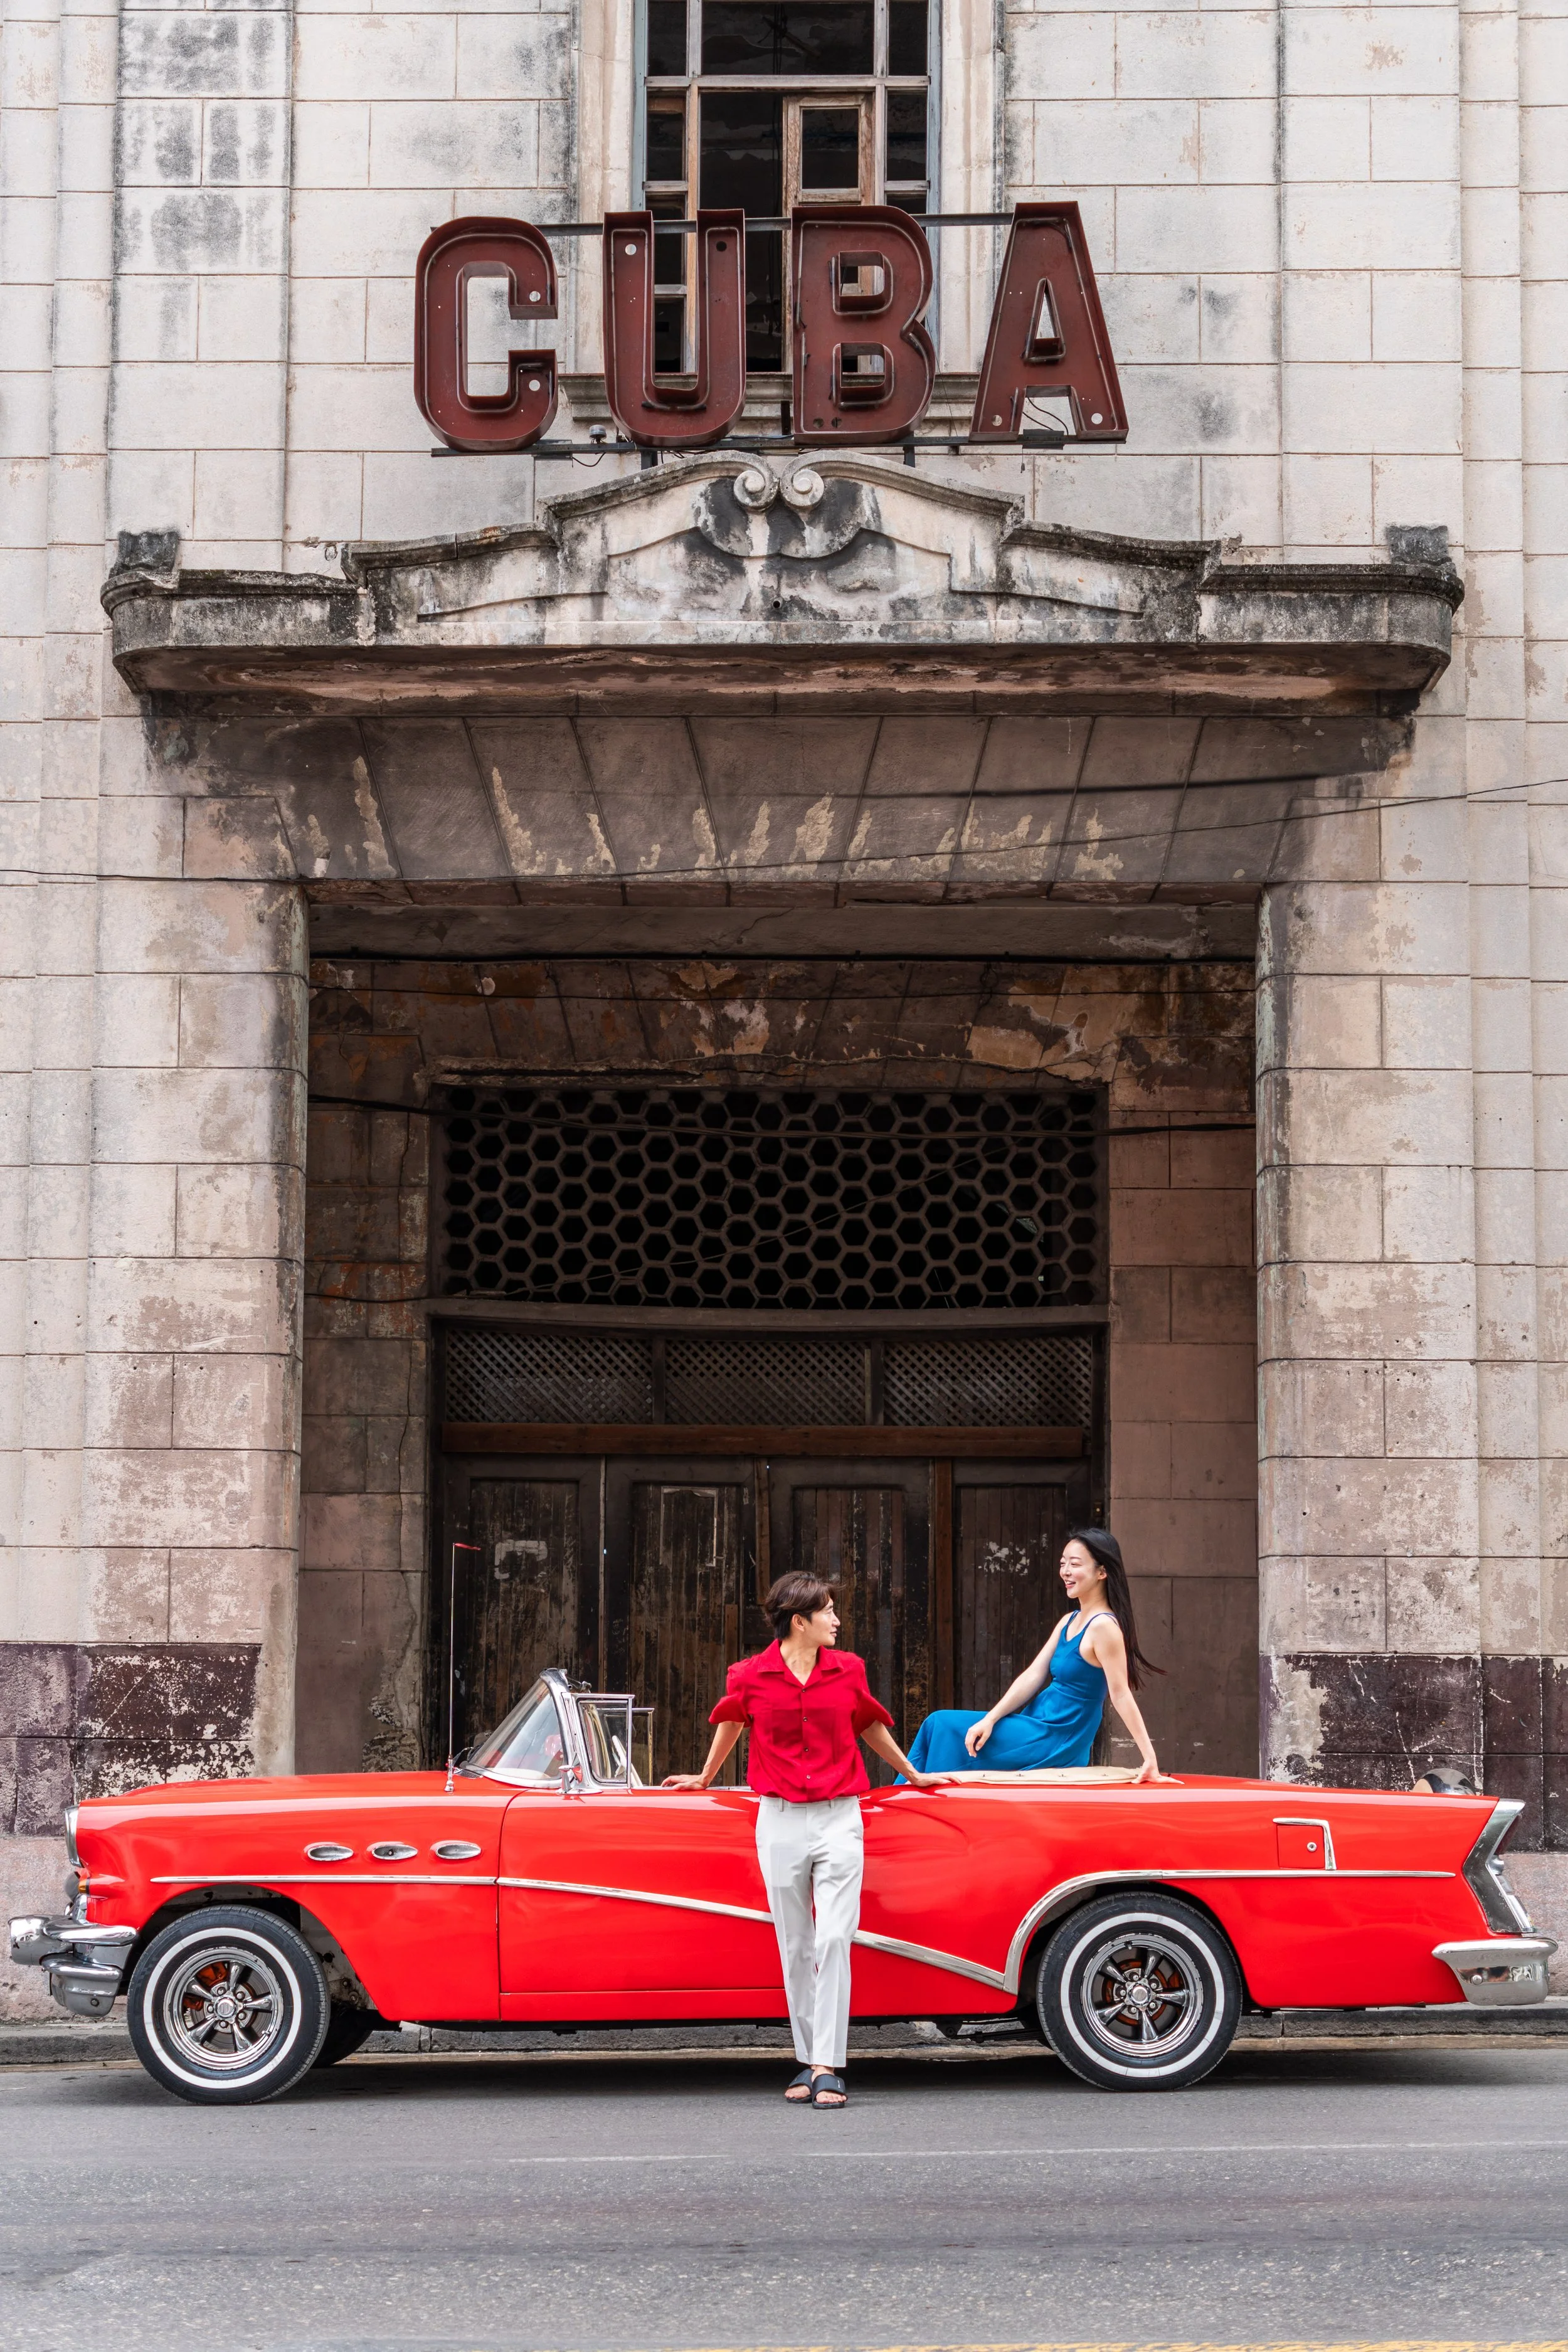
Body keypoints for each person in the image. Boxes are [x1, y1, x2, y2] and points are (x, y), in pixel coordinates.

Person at [662, 1571, 945, 2109]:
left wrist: (913, 1772)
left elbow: (869, 1725)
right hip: (781, 1819)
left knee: (835, 1938)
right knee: (795, 1943)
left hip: (841, 1817)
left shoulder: (849, 1670)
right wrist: (704, 1777)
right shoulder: (749, 1675)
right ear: (800, 1621)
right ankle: (808, 2057)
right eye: (829, 1612)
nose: (837, 1621)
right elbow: (732, 1721)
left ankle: (828, 2065)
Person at [904, 1526, 1168, 1784]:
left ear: (1102, 1572)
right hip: (1037, 1721)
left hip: (1059, 1734)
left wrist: (1150, 1759)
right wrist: (991, 1718)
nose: (1065, 1571)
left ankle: (914, 1807)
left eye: (1075, 1564)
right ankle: (909, 1800)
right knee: (939, 1726)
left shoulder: (1103, 1627)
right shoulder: (1069, 1620)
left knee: (942, 1725)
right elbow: (1033, 1674)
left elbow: (1120, 1694)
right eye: (1063, 1563)